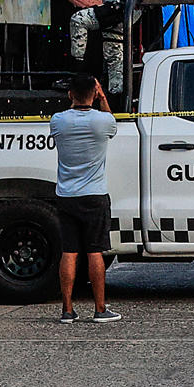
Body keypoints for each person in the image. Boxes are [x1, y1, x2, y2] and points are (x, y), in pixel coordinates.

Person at [52, 74, 120, 324]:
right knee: (94, 252)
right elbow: (111, 121)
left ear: (70, 94)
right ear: (95, 93)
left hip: (67, 195)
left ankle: (67, 310)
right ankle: (100, 309)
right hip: (95, 195)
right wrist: (102, 96)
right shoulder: (103, 121)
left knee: (69, 252)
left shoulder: (58, 121)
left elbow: (67, 115)